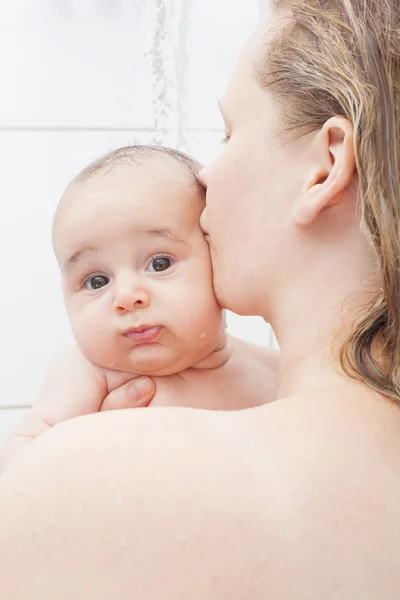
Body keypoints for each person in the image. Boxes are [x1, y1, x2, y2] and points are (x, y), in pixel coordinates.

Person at [1, 0, 400, 597]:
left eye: (230, 131)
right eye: (95, 280)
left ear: (324, 167)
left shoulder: (78, 478)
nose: (205, 175)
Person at [0, 145, 278, 471]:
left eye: (159, 263)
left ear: (218, 255)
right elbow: (21, 465)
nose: (127, 297)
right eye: (97, 281)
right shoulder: (90, 377)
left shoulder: (273, 369)